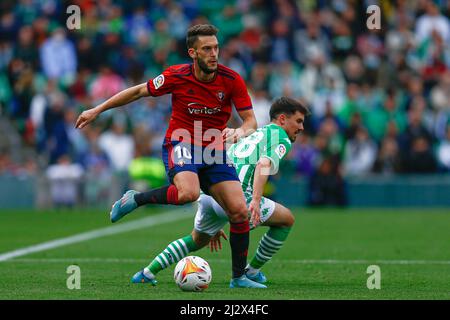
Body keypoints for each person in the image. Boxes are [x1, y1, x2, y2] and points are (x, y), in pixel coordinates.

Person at [75, 24, 260, 288]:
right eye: (207, 49)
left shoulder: (231, 79)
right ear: (192, 52)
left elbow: (251, 121)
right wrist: (97, 110)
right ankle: (136, 199)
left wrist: (241, 131)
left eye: (216, 48)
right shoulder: (177, 75)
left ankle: (238, 278)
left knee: (239, 212)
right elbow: (138, 91)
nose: (214, 54)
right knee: (188, 194)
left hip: (214, 150)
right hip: (181, 140)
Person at [130, 97, 310, 287]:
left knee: (195, 240)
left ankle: (147, 273)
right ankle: (251, 273)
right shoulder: (279, 137)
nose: (301, 127)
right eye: (298, 121)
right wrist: (255, 200)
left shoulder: (255, 132)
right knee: (286, 220)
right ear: (282, 119)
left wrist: (218, 203)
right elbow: (263, 164)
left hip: (211, 192)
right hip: (238, 196)